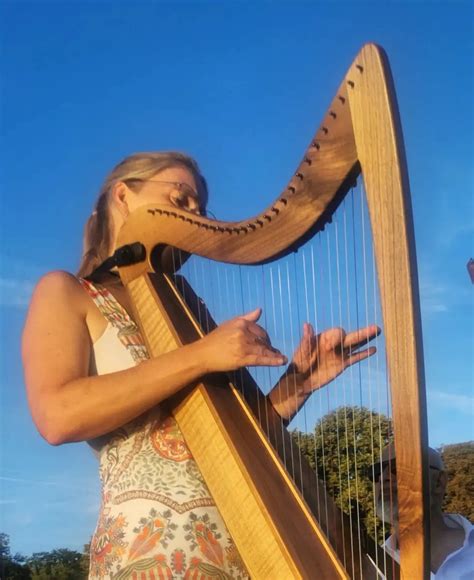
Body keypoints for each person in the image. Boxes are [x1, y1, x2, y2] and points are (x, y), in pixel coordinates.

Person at [22, 151, 380, 579]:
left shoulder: (187, 311)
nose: (193, 215)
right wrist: (202, 355)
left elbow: (234, 443)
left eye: (199, 210)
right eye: (181, 199)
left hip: (243, 549)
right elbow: (57, 417)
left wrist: (299, 383)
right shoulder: (67, 292)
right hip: (148, 554)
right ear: (123, 195)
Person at [372, 444, 473, 579]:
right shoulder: (373, 569)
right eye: (376, 472)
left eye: (398, 467)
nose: (383, 477)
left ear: (438, 482)